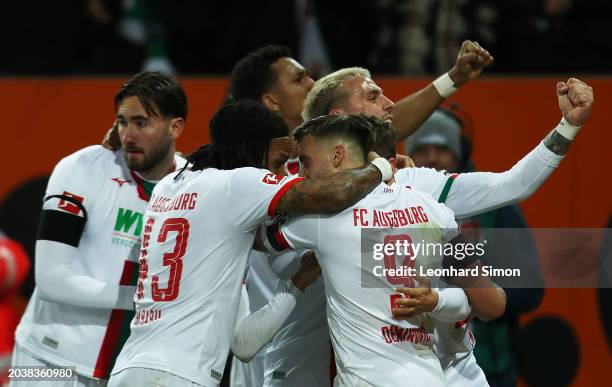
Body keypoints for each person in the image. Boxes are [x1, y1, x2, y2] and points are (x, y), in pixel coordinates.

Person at [260, 73, 592, 386]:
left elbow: (490, 294)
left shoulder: (415, 187)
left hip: (446, 365)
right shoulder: (313, 201)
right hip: (351, 366)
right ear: (340, 116)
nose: (391, 104)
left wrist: (567, 127)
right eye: (374, 96)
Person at [226, 42, 492, 387]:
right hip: (282, 355)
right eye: (298, 79)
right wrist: (380, 169)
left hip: (343, 360)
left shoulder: (328, 172)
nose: (310, 83)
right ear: (270, 101)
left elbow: (383, 126)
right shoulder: (275, 181)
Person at [108, 101, 393, 386]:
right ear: (253, 149)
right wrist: (380, 166)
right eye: (278, 161)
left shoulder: (169, 185)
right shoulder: (238, 184)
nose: (281, 174)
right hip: (178, 375)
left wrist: (298, 282)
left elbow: (244, 343)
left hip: (128, 367)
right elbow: (333, 195)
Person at [259, 114, 487, 386]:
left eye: (306, 162)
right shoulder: (432, 208)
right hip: (428, 376)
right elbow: (479, 302)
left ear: (337, 156)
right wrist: (437, 301)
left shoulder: (320, 218)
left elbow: (256, 237)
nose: (302, 175)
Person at [10, 71, 188, 386]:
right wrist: (137, 298)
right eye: (122, 122)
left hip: (125, 372)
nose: (128, 135)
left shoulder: (194, 185)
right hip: (45, 362)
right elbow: (51, 278)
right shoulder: (81, 169)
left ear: (176, 127)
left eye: (141, 123)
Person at [406, 109, 544, 387]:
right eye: (422, 149)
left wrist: (471, 290)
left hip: (489, 363)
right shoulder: (395, 207)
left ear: (460, 152)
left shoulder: (497, 210)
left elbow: (530, 289)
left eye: (441, 148)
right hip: (415, 361)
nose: (432, 157)